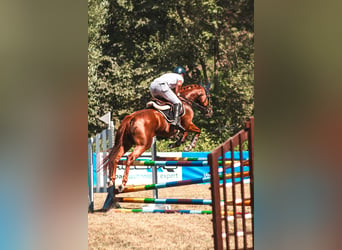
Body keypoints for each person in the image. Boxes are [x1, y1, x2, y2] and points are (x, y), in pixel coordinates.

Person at [149, 66, 186, 131]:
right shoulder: (180, 77)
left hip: (152, 87)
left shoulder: (168, 75)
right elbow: (179, 84)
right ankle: (176, 121)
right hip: (161, 86)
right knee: (178, 102)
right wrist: (177, 94)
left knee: (163, 102)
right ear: (182, 74)